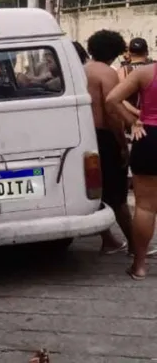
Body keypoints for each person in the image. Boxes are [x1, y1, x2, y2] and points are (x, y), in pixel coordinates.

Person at [107, 62, 157, 279]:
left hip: (149, 138)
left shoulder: (145, 73)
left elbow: (112, 99)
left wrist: (133, 122)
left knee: (145, 207)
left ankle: (139, 266)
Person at [85, 30, 133, 254]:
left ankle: (109, 240)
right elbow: (112, 113)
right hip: (104, 137)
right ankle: (135, 244)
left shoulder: (82, 70)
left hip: (85, 136)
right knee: (118, 195)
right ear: (114, 51)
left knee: (95, 192)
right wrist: (122, 145)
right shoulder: (108, 73)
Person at [117, 37, 152, 123]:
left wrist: (138, 112)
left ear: (129, 53)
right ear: (147, 52)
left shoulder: (122, 71)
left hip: (131, 120)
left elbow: (120, 99)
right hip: (152, 119)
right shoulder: (153, 69)